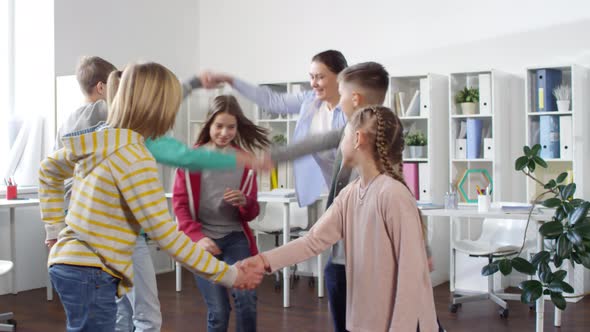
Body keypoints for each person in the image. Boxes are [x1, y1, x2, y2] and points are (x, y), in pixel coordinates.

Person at [39, 62, 263, 332]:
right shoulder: (136, 157)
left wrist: (55, 229)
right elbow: (166, 235)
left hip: (69, 264)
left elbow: (48, 170)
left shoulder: (102, 138)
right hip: (91, 272)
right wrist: (232, 275)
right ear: (159, 108)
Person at [243, 106, 438, 331]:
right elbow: (313, 241)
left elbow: (411, 274)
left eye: (343, 135)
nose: (339, 143)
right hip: (366, 320)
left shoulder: (393, 194)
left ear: (358, 138)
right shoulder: (350, 193)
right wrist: (263, 261)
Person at [201, 50, 348, 207]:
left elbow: (319, 144)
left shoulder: (351, 112)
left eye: (320, 77)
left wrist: (277, 156)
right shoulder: (310, 101)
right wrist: (229, 79)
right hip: (328, 188)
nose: (313, 83)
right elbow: (272, 101)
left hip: (356, 185)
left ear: (341, 77)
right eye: (312, 77)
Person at [173, 95, 270, 332]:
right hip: (204, 242)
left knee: (246, 301)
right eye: (219, 126)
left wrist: (244, 201)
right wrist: (197, 238)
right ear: (209, 124)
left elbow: (252, 213)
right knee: (218, 310)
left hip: (235, 238)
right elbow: (180, 207)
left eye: (231, 127)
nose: (224, 132)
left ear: (237, 128)